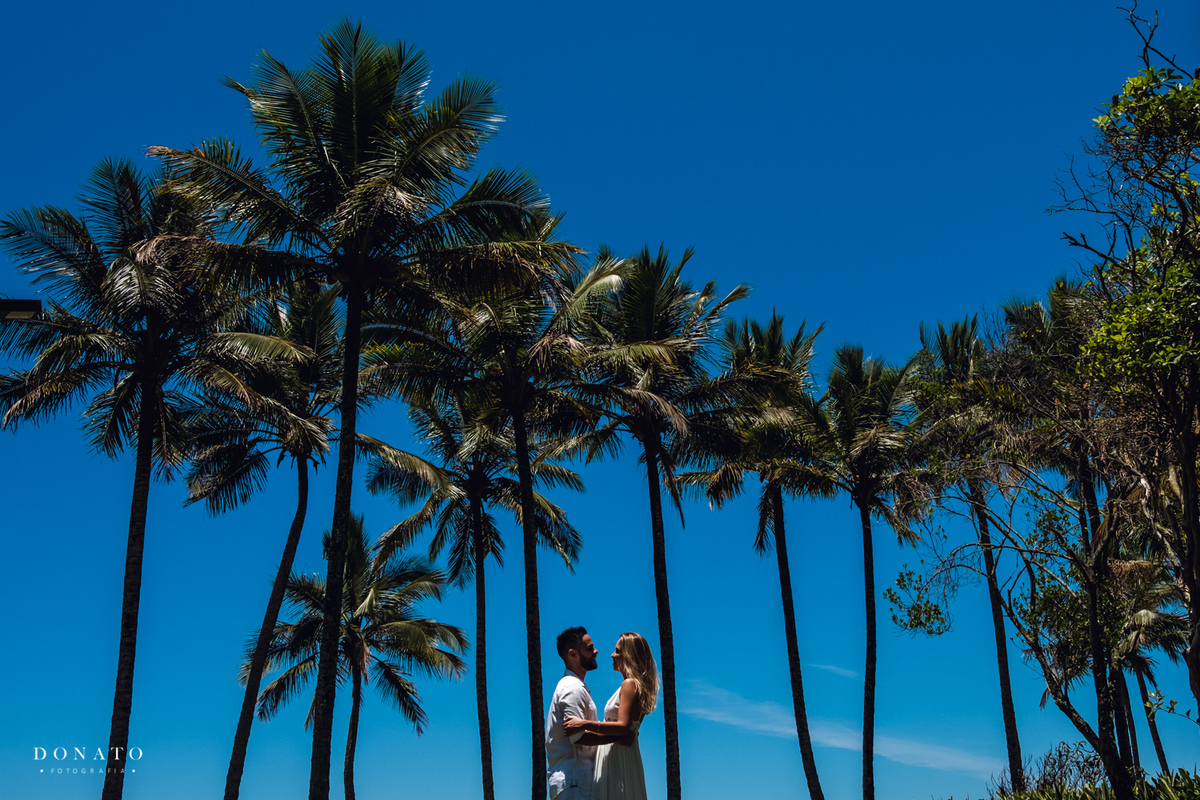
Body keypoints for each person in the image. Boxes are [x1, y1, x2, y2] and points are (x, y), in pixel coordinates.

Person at [564, 632, 658, 800]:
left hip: (618, 757)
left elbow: (623, 726)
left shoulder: (629, 684)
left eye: (618, 651)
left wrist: (583, 724)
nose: (612, 655)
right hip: (624, 753)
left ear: (629, 655)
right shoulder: (636, 685)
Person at [546, 626, 630, 800]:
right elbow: (578, 736)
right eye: (589, 649)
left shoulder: (577, 686)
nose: (596, 651)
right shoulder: (571, 687)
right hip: (575, 782)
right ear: (573, 654)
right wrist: (618, 737)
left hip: (577, 783)